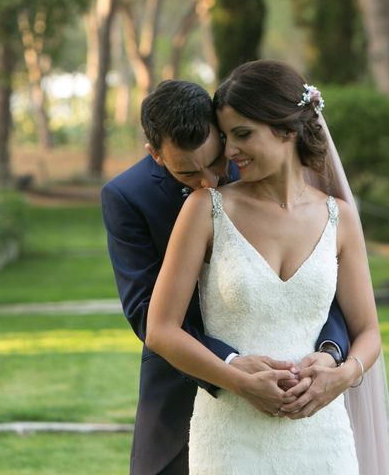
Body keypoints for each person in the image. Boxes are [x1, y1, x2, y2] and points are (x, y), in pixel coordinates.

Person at [145, 60, 389, 474]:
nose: (229, 151)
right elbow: (161, 329)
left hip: (323, 436)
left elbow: (367, 331)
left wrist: (343, 374)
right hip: (230, 436)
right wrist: (238, 381)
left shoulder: (340, 218)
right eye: (226, 137)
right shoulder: (205, 210)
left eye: (243, 134)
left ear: (288, 129)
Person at [101, 79, 352, 474]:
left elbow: (318, 279)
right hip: (182, 382)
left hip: (297, 385)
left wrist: (332, 352)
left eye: (216, 162)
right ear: (156, 155)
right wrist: (231, 366)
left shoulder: (256, 161)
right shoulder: (127, 197)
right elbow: (147, 312)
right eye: (188, 173)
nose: (209, 181)